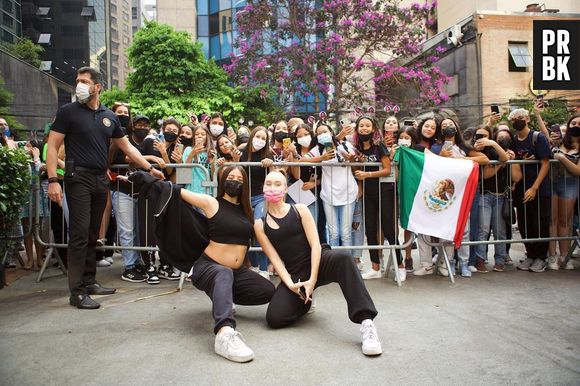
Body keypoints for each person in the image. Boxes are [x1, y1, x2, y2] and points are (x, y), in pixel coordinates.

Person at [46, 67, 164, 309]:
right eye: (77, 80)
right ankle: (76, 292)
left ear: (97, 86)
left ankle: (89, 282)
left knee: (92, 234)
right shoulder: (68, 112)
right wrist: (53, 181)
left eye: (84, 81)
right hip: (77, 178)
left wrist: (149, 168)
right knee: (79, 234)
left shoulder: (108, 116)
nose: (79, 84)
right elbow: (52, 145)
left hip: (101, 179)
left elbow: (129, 149)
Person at [254, 170, 382, 356]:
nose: (273, 188)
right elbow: (274, 258)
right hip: (296, 272)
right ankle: (305, 301)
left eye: (278, 184)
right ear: (263, 187)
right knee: (275, 318)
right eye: (269, 183)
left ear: (285, 188)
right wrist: (290, 284)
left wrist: (313, 279)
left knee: (344, 258)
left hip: (319, 260)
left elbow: (315, 245)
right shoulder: (260, 224)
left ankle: (367, 322)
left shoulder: (300, 209)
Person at [181, 166, 275, 363]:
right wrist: (147, 174)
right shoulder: (211, 203)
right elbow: (176, 191)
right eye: (230, 177)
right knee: (223, 272)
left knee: (267, 290)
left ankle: (223, 297)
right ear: (222, 180)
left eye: (239, 178)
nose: (235, 181)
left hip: (236, 271)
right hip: (208, 267)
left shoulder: (245, 211)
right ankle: (224, 333)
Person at [430, 118, 489, 277]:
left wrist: (461, 159)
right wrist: (441, 156)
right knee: (448, 229)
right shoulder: (436, 148)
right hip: (447, 194)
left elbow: (484, 159)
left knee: (465, 229)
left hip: (464, 193)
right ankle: (448, 261)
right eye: (444, 126)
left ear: (456, 127)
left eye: (450, 125)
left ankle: (464, 263)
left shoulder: (464, 147)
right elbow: (432, 166)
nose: (448, 128)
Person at [351, 116, 403, 281]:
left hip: (384, 191)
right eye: (361, 126)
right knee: (370, 230)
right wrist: (358, 163)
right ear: (357, 129)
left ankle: (400, 265)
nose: (364, 128)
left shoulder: (379, 146)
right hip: (368, 193)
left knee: (388, 228)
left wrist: (368, 174)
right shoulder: (357, 148)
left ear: (373, 129)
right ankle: (375, 267)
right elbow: (357, 171)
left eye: (368, 126)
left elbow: (387, 169)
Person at [510, 108, 552, 273]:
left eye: (520, 118)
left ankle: (541, 257)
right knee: (524, 224)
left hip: (539, 189)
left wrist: (534, 187)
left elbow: (546, 163)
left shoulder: (537, 138)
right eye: (513, 119)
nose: (517, 121)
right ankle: (530, 254)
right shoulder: (513, 140)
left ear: (527, 119)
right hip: (520, 188)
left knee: (539, 223)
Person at [304, 123, 358, 251]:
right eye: (319, 133)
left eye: (325, 131)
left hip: (348, 193)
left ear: (331, 132)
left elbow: (357, 162)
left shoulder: (344, 145)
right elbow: (302, 160)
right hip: (328, 195)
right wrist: (321, 158)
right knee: (333, 233)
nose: (322, 135)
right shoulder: (318, 149)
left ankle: (347, 266)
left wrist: (350, 159)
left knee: (345, 234)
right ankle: (335, 266)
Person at [473, 126, 519, 272]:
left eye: (487, 136)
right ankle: (480, 259)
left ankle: (500, 260)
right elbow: (485, 174)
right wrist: (501, 164)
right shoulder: (478, 151)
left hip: (501, 197)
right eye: (480, 136)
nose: (483, 139)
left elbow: (515, 174)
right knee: (483, 229)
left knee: (500, 231)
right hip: (484, 195)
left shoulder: (495, 150)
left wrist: (503, 155)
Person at [241, 126, 274, 277]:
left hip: (261, 197)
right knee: (248, 232)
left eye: (263, 138)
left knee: (259, 229)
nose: (260, 140)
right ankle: (253, 266)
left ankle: (263, 269)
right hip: (244, 197)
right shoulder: (242, 153)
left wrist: (270, 164)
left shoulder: (268, 155)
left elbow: (274, 176)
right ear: (252, 136)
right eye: (258, 137)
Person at [549, 114, 580, 270]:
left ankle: (565, 256)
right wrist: (538, 115)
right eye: (573, 122)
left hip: (570, 184)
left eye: (579, 123)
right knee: (552, 220)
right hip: (552, 182)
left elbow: (578, 170)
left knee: (565, 221)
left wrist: (562, 158)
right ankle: (552, 256)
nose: (576, 125)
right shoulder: (559, 141)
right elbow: (545, 136)